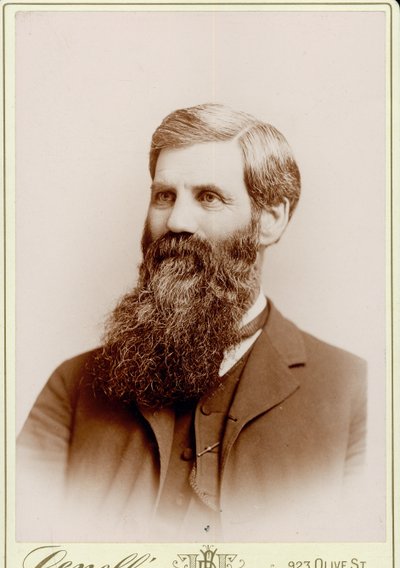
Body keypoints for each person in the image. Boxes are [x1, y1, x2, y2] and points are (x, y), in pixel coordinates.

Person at [17, 103, 366, 542]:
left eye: (208, 197)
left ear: (271, 220)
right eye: (165, 196)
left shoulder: (356, 394)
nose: (177, 221)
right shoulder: (72, 387)